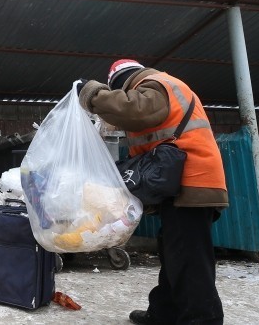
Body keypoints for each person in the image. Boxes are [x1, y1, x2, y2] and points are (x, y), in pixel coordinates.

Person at [78, 59, 229, 325]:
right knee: (175, 253)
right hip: (187, 184)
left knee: (189, 260)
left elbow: (134, 110)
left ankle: (203, 319)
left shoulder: (156, 86)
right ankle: (164, 313)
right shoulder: (159, 87)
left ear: (123, 82)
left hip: (192, 184)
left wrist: (93, 94)